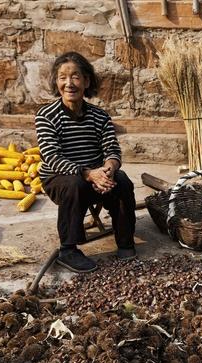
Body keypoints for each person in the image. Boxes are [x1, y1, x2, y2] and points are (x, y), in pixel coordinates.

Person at [35, 51, 137, 273]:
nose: (69, 83)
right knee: (75, 183)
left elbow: (112, 150)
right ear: (56, 81)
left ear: (87, 81)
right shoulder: (47, 116)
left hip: (96, 177)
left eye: (75, 76)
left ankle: (126, 242)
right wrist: (88, 173)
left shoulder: (100, 116)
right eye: (62, 77)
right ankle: (68, 250)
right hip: (60, 179)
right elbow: (51, 157)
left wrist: (108, 170)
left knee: (122, 181)